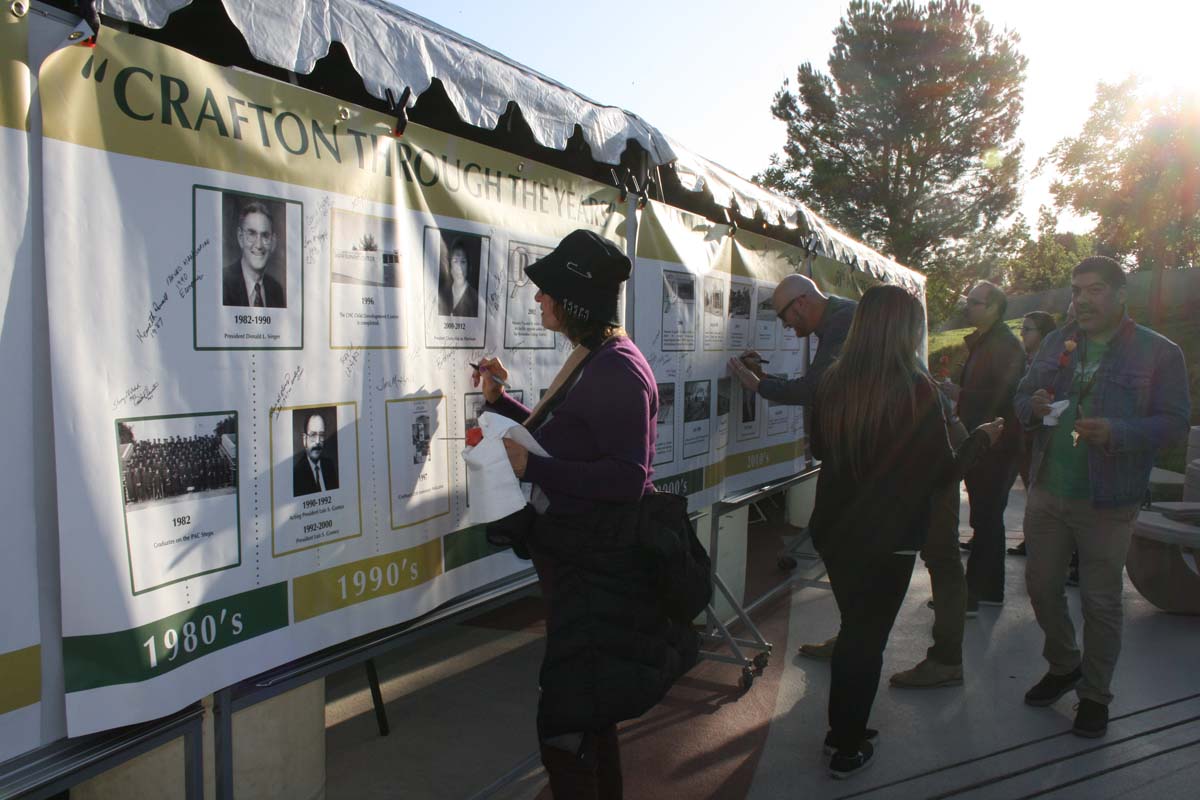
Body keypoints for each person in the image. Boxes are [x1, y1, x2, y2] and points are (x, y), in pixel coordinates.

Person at [473, 229, 698, 799]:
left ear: (574, 300)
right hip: (581, 563)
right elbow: (567, 434)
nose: (538, 300)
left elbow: (626, 479)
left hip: (596, 572)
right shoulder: (599, 356)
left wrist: (533, 469)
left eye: (547, 291)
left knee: (568, 723)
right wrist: (504, 403)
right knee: (590, 716)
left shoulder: (615, 369)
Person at [809, 285, 1002, 778]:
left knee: (857, 628)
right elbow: (942, 474)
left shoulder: (832, 382)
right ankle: (847, 744)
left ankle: (844, 729)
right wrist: (981, 438)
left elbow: (819, 450)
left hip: (835, 530)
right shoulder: (917, 389)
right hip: (888, 537)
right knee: (865, 639)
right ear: (906, 330)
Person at [1015, 256, 1189, 738]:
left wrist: (1118, 432)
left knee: (1101, 602)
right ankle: (1065, 662)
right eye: (1076, 291)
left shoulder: (1159, 353)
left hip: (1108, 500)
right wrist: (1031, 406)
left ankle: (1094, 695)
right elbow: (1021, 394)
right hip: (1049, 488)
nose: (1081, 300)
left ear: (1119, 294)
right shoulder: (1057, 341)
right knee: (1041, 587)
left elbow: (1174, 423)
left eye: (1093, 290)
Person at [727, 273, 856, 660]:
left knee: (836, 540)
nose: (786, 326)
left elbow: (816, 389)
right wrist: (765, 377)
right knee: (831, 538)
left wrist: (758, 385)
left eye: (785, 317)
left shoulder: (843, 323)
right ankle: (852, 637)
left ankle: (854, 642)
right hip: (846, 455)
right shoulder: (839, 319)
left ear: (800, 303)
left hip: (854, 459)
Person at [943, 281, 1024, 610]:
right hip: (987, 441)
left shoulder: (1004, 345)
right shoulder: (986, 343)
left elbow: (1007, 396)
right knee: (986, 517)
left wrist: (959, 395)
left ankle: (974, 594)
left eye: (975, 302)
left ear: (993, 307)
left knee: (987, 517)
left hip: (997, 444)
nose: (968, 307)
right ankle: (986, 590)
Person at [1008, 311, 1059, 556]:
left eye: (1027, 329)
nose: (1022, 334)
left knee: (1041, 490)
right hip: (1023, 434)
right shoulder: (1024, 359)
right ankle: (1032, 540)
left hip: (1040, 436)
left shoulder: (1053, 364)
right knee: (1032, 490)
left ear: (1044, 334)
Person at [222, 201, 286, 308]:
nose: (259, 245)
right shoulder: (223, 283)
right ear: (240, 237)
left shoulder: (276, 290)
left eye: (265, 235)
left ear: (273, 242)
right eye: (251, 234)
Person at [293, 412, 339, 496]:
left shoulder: (329, 466)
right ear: (304, 439)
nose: (318, 441)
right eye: (313, 435)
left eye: (321, 435)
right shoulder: (296, 474)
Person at [438, 238, 478, 317]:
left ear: (468, 266)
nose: (459, 268)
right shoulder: (441, 294)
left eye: (463, 262)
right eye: (455, 261)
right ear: (450, 266)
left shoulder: (475, 299)